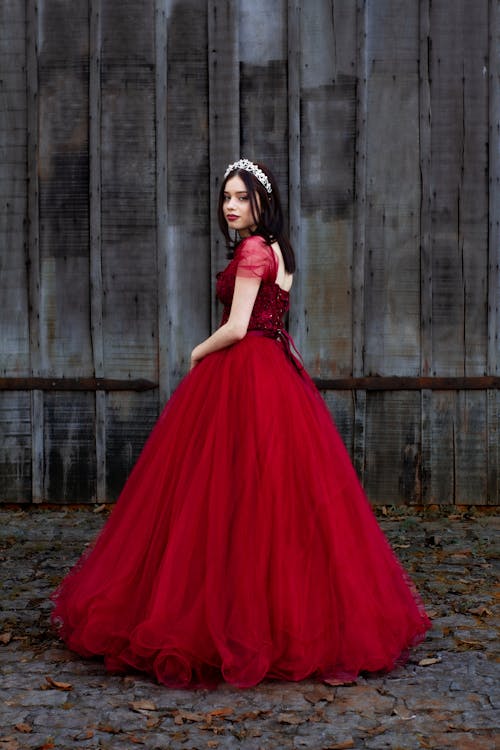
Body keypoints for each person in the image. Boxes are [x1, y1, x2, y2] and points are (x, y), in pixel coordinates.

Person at [51, 158, 431, 689]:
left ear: (261, 202)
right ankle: (292, 618)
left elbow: (235, 327)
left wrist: (195, 352)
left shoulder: (254, 249)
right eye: (226, 196)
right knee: (276, 499)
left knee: (225, 495)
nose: (230, 205)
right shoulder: (280, 251)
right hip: (276, 371)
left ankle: (229, 619)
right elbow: (272, 318)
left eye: (240, 196)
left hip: (246, 371)